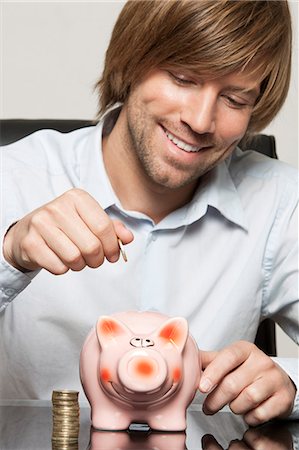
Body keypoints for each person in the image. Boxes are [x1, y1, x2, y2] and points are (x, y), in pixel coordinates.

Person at [0, 0, 298, 427]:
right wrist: (8, 254)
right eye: (183, 78)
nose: (199, 120)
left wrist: (290, 382)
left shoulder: (281, 202)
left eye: (234, 99)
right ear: (133, 59)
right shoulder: (11, 176)